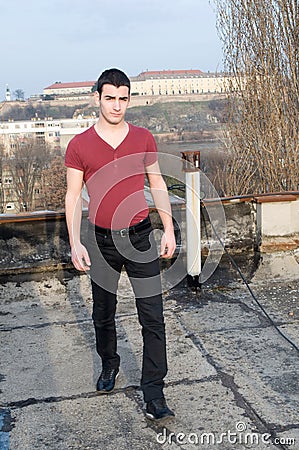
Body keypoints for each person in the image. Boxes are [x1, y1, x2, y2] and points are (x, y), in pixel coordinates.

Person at [65, 68, 176, 421]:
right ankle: (109, 365)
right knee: (103, 314)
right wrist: (74, 243)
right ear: (97, 97)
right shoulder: (79, 144)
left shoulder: (143, 137)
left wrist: (169, 230)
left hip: (141, 237)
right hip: (99, 241)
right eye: (110, 97)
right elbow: (71, 197)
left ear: (130, 99)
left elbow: (157, 184)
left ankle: (154, 391)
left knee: (152, 317)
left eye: (123, 98)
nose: (117, 105)